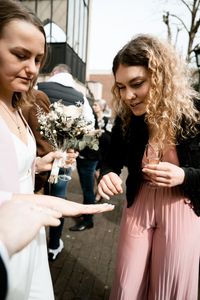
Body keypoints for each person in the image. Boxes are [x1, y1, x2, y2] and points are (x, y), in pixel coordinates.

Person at [0, 1, 114, 299]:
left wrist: (38, 164)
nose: (32, 69)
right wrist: (52, 204)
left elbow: (11, 165)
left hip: (32, 232)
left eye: (38, 59)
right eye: (20, 55)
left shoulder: (19, 105)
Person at [98, 34, 200, 300]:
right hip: (138, 204)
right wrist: (107, 172)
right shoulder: (127, 118)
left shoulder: (195, 112)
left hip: (182, 206)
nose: (128, 96)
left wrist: (184, 175)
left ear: (160, 76)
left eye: (137, 84)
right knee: (125, 286)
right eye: (121, 87)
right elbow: (111, 158)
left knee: (170, 289)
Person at [37, 63, 96, 251]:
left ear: (54, 73)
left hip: (37, 157)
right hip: (63, 159)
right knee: (58, 201)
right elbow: (90, 127)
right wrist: (74, 147)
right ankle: (54, 245)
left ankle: (34, 244)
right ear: (69, 76)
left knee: (35, 199)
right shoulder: (80, 97)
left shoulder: (39, 87)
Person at [92, 99, 112, 202]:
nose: (94, 106)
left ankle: (99, 193)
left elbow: (110, 137)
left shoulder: (107, 120)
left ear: (101, 107)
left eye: (96, 105)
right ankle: (99, 189)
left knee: (100, 173)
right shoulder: (92, 118)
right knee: (95, 173)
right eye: (93, 105)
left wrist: (101, 133)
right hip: (94, 151)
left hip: (104, 151)